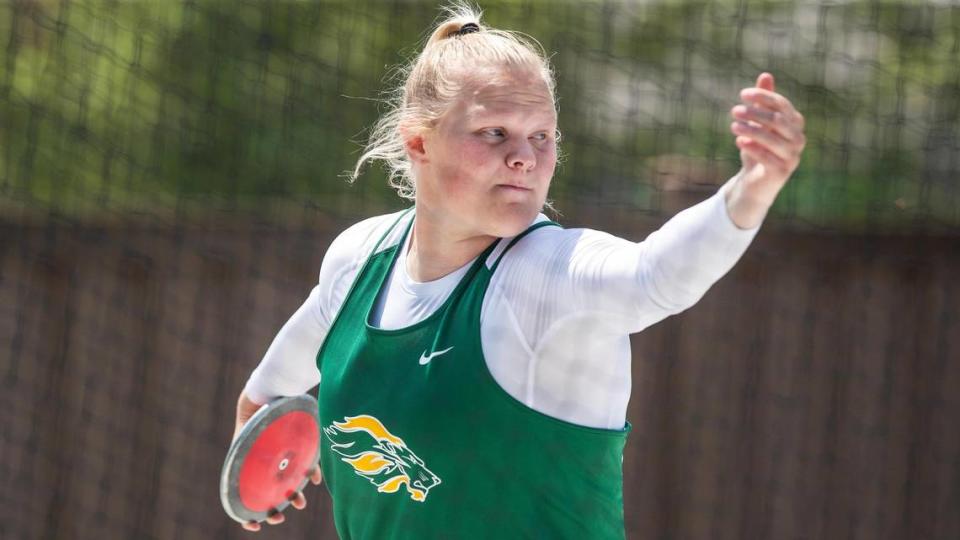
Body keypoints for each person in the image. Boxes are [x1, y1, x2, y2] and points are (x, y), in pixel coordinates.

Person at [231, 3, 806, 538]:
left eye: (542, 137)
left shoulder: (546, 274)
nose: (524, 158)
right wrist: (259, 460)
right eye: (495, 133)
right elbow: (264, 397)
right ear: (418, 142)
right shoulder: (360, 258)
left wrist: (754, 187)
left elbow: (654, 276)